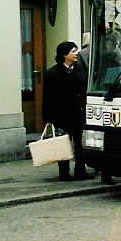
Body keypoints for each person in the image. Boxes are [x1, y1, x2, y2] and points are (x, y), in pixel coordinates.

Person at [42, 41, 89, 181]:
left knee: (79, 146)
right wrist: (48, 118)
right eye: (73, 51)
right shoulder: (52, 73)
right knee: (63, 144)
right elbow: (47, 97)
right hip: (61, 116)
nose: (76, 53)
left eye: (76, 50)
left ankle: (81, 171)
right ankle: (64, 173)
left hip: (78, 114)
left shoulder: (80, 69)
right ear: (64, 54)